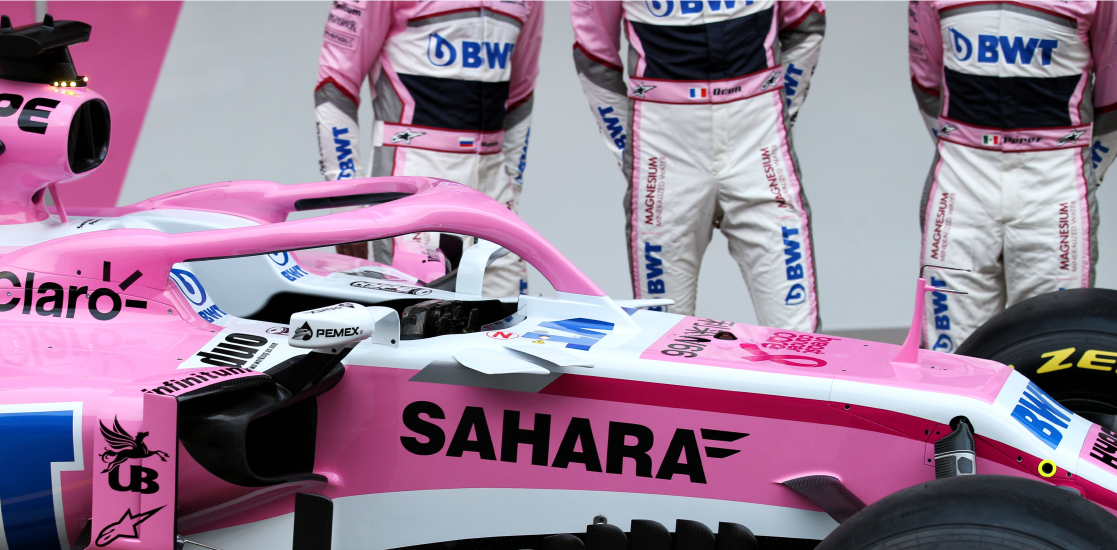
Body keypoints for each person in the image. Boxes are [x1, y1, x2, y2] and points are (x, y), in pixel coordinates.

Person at [571, 0, 826, 329]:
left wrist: (777, 115)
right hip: (664, 150)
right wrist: (633, 149)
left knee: (798, 335)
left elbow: (806, 23)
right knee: (662, 335)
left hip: (758, 141)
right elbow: (594, 54)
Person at [910, 0, 1117, 352]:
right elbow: (927, 81)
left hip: (1055, 182)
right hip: (962, 180)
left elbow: (1112, 97)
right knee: (949, 354)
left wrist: (1084, 170)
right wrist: (967, 148)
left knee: (1052, 343)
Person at [315, 0, 543, 296]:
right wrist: (347, 201)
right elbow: (335, 85)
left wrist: (512, 186)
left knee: (509, 317)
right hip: (415, 181)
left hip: (493, 189)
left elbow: (521, 94)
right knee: (416, 319)